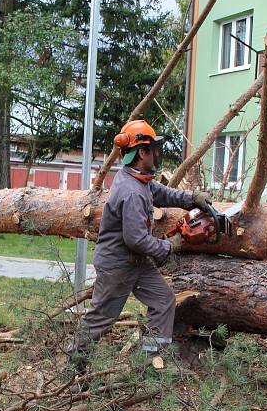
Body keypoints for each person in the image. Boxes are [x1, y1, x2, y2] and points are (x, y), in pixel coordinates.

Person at [67, 119, 211, 371]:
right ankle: (73, 365)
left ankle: (150, 360)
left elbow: (162, 193)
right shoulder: (131, 191)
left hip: (136, 262)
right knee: (101, 319)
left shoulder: (139, 180)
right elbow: (135, 238)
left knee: (163, 300)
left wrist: (192, 199)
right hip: (118, 265)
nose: (156, 153)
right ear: (142, 152)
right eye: (153, 149)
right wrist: (171, 246)